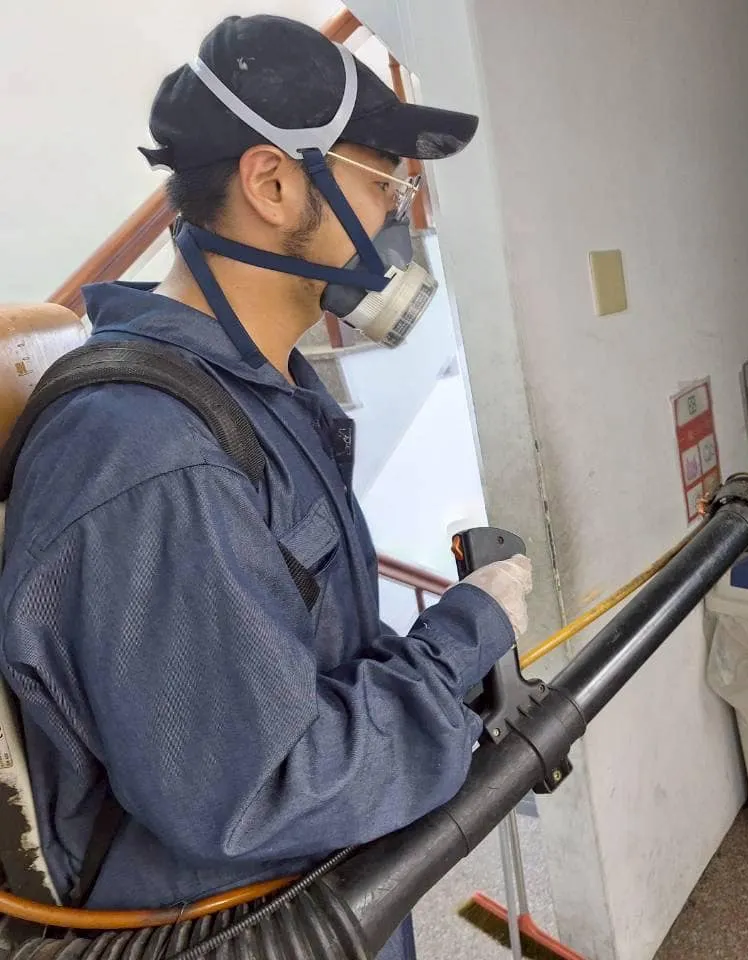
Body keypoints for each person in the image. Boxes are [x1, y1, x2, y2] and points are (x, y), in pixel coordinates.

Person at [0, 15, 530, 960]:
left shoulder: (259, 387)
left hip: (321, 906)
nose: (397, 218)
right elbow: (268, 786)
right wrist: (466, 634)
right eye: (385, 182)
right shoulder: (153, 457)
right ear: (276, 183)